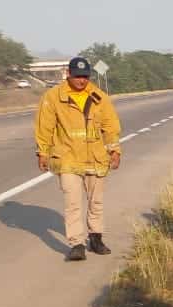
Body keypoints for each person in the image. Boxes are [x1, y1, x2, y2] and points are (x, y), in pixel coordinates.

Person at [33, 56, 122, 262]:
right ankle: (77, 244)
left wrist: (115, 151)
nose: (82, 80)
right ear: (68, 75)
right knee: (73, 203)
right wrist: (43, 152)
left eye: (85, 76)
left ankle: (96, 238)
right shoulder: (53, 97)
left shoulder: (99, 97)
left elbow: (110, 127)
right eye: (77, 76)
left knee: (96, 202)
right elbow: (44, 127)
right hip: (68, 157)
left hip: (96, 158)